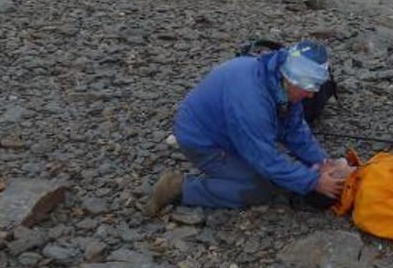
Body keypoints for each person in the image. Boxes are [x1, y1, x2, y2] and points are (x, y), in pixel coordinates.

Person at [144, 40, 345, 215]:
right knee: (259, 190)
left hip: (229, 130)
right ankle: (178, 188)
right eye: (309, 89)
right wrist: (314, 182)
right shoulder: (251, 100)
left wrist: (322, 161)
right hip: (203, 141)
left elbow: (294, 129)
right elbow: (265, 159)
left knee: (282, 174)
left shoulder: (278, 79)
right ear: (291, 78)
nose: (311, 96)